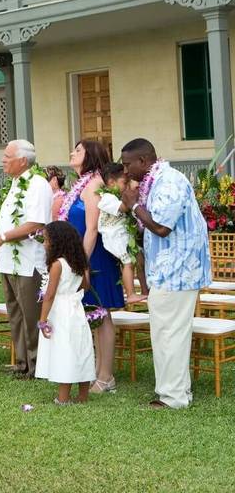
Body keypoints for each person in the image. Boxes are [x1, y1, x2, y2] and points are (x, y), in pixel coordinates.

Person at [120, 138, 211, 409]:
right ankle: (173, 391)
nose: (125, 171)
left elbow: (161, 227)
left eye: (128, 165)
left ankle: (174, 398)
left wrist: (134, 205)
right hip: (166, 270)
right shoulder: (155, 182)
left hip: (178, 270)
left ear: (144, 161)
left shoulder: (169, 181)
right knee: (164, 332)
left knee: (170, 333)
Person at [0, 140, 53, 379]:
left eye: (7, 156)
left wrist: (1, 237)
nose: (2, 160)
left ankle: (37, 365)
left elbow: (36, 223)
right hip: (9, 261)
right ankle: (22, 363)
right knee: (15, 312)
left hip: (27, 261)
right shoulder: (14, 183)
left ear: (23, 160)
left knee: (30, 313)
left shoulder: (38, 184)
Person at [59, 139, 121, 394]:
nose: (72, 152)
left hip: (95, 257)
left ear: (91, 156)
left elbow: (92, 228)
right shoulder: (80, 184)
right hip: (83, 255)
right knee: (92, 315)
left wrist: (81, 262)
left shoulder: (95, 183)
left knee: (102, 314)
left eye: (78, 150)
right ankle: (97, 370)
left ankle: (106, 376)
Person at [36, 221, 96, 404]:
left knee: (64, 351)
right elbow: (85, 285)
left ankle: (63, 398)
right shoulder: (80, 262)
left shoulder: (57, 265)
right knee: (81, 349)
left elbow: (50, 295)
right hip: (75, 308)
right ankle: (83, 396)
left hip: (60, 310)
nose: (45, 244)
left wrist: (42, 320)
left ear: (57, 241)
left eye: (46, 240)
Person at [98, 163, 146, 304]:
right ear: (111, 182)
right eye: (124, 183)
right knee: (128, 262)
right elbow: (124, 207)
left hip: (123, 234)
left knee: (140, 258)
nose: (126, 186)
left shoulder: (118, 195)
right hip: (113, 236)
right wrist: (135, 194)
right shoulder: (106, 198)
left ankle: (145, 290)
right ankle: (130, 294)